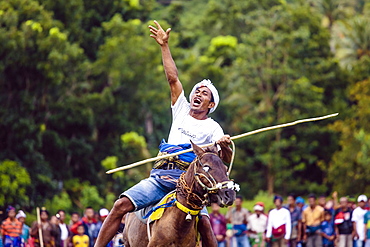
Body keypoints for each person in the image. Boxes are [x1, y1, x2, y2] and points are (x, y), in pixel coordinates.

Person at [94, 20, 233, 247]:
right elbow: (173, 79)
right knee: (120, 206)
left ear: (211, 104)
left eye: (204, 93)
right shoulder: (180, 109)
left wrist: (224, 146)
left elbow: (221, 161)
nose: (198, 93)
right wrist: (164, 46)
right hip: (160, 178)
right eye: (197, 90)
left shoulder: (213, 128)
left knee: (206, 226)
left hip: (190, 186)